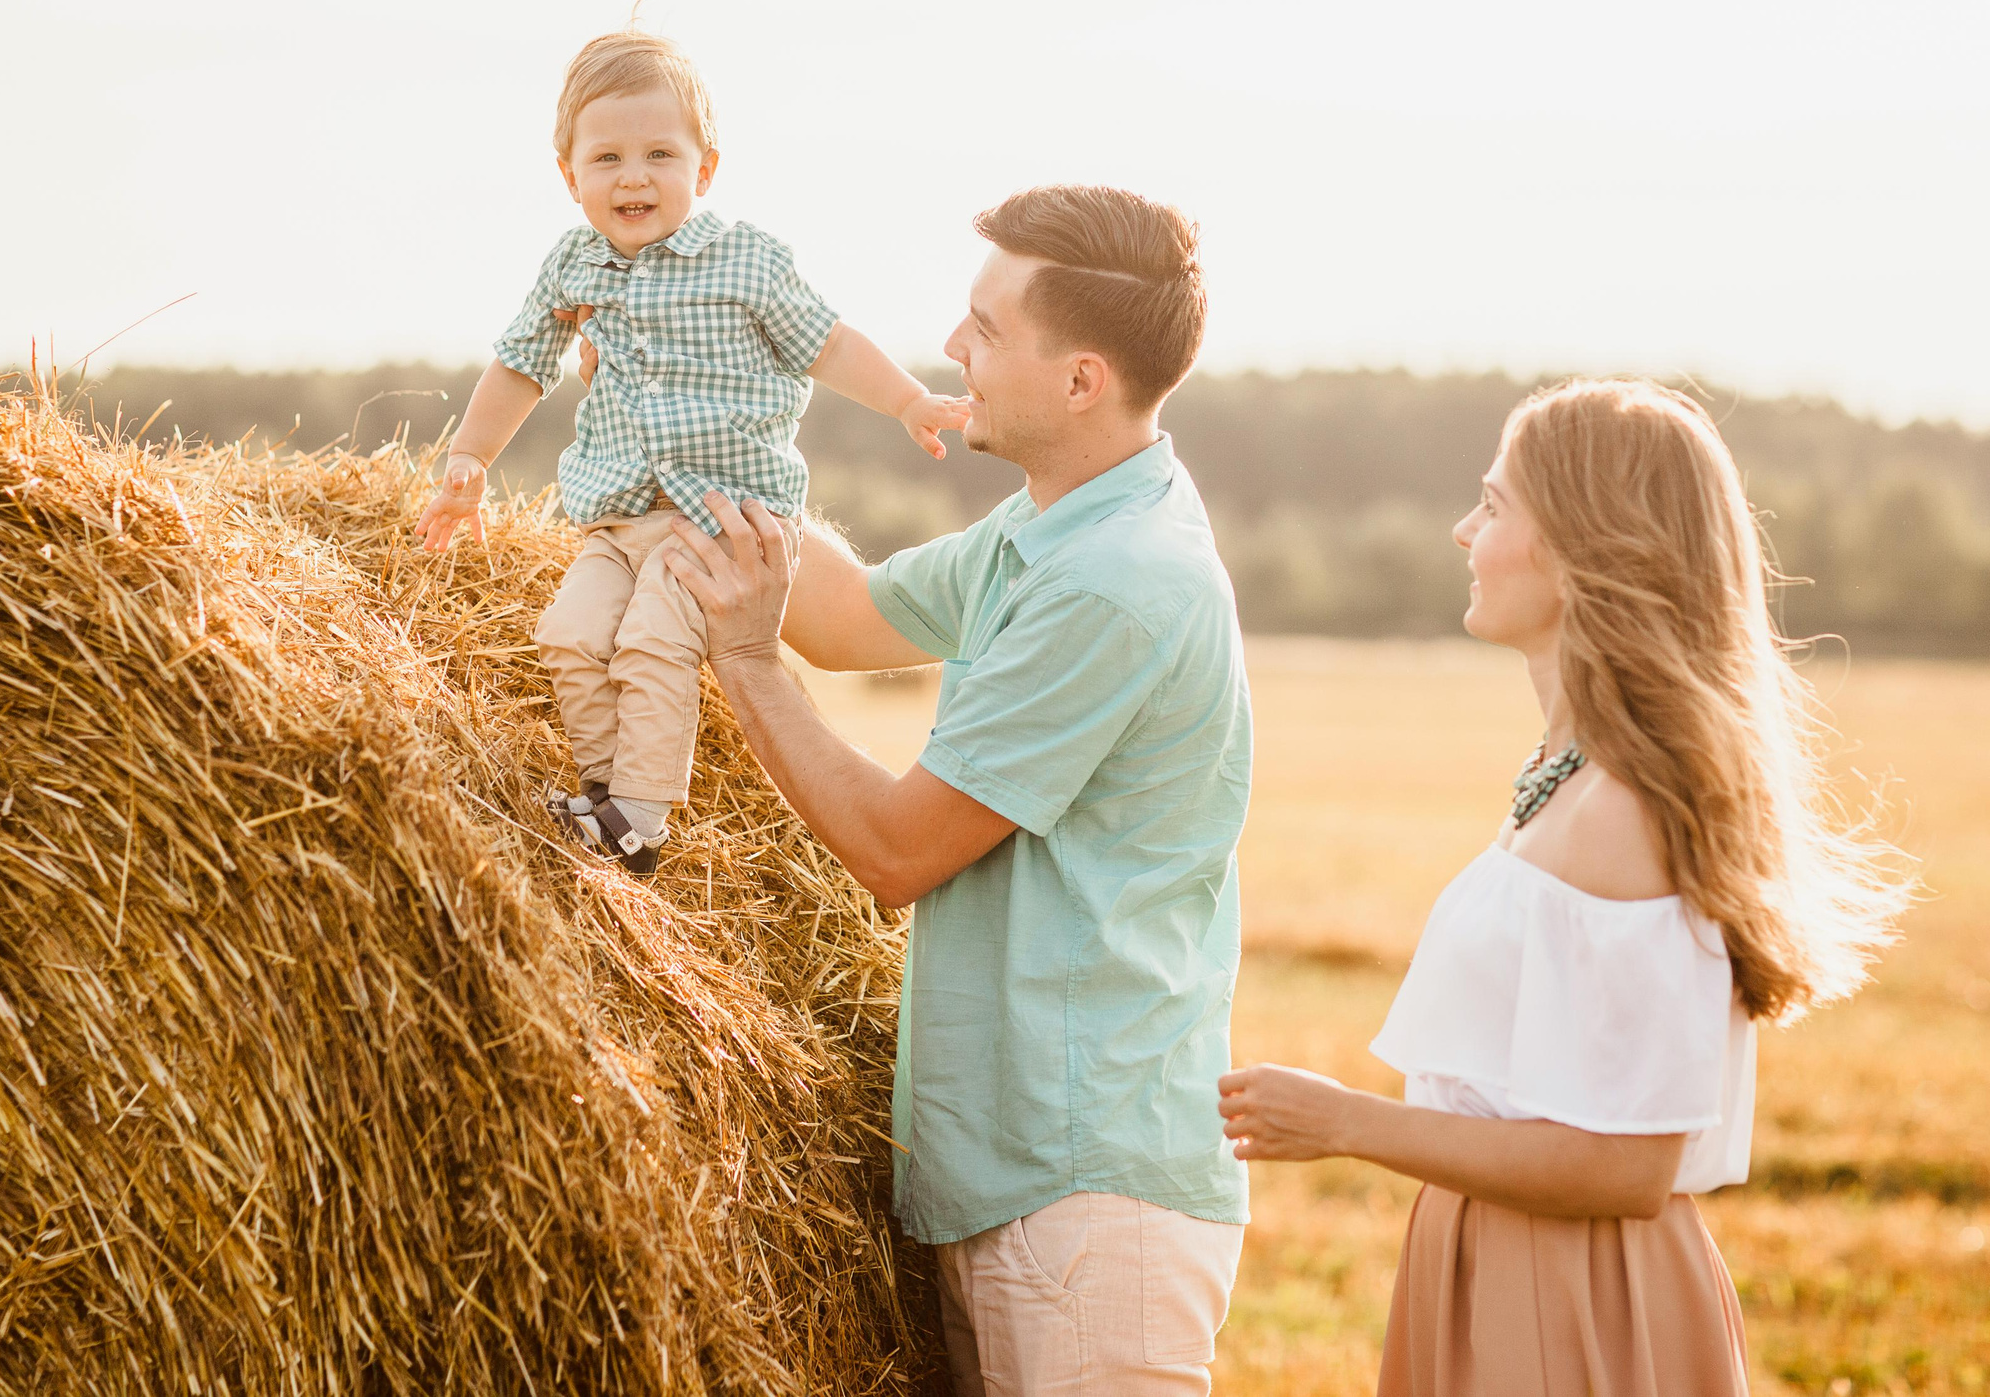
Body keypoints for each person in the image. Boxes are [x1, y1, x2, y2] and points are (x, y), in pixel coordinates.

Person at [661, 185, 1253, 1396]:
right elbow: (848, 613)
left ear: (1081, 379)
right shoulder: (1050, 528)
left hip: (1089, 1198)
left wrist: (741, 660)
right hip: (1010, 1173)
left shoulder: (1113, 580)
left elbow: (895, 850)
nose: (951, 349)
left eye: (983, 328)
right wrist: (696, 440)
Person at [1217, 379, 1910, 1397]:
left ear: (1585, 545)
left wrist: (1345, 1124)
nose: (1463, 530)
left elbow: (1623, 1168)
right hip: (1492, 1260)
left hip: (1564, 1289)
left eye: (1493, 505)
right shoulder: (1569, 781)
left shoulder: (1623, 813)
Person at [412, 27, 966, 875]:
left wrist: (906, 399)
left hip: (717, 519)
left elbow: (827, 342)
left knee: (650, 645)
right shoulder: (572, 266)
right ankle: (604, 795)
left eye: (659, 153)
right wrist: (469, 461)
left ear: (703, 169)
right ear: (570, 177)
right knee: (567, 633)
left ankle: (641, 814)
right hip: (614, 519)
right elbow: (520, 364)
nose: (633, 175)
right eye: (606, 158)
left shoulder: (744, 259)